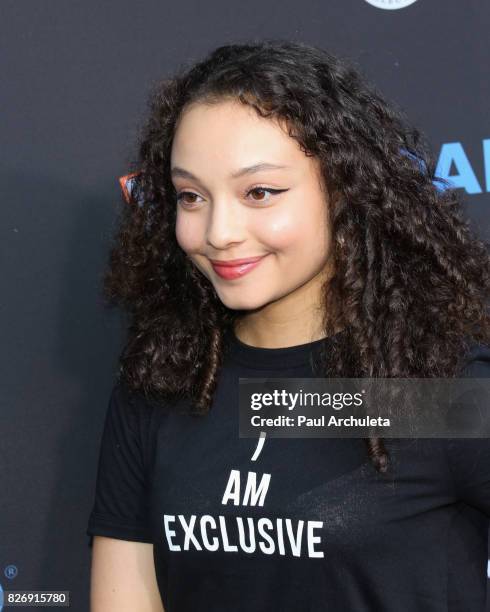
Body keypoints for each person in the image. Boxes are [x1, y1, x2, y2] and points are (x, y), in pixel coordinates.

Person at [86, 39, 490, 611]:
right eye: (191, 196)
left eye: (259, 192)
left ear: (345, 192)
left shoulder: (434, 393)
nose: (219, 230)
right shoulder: (163, 387)